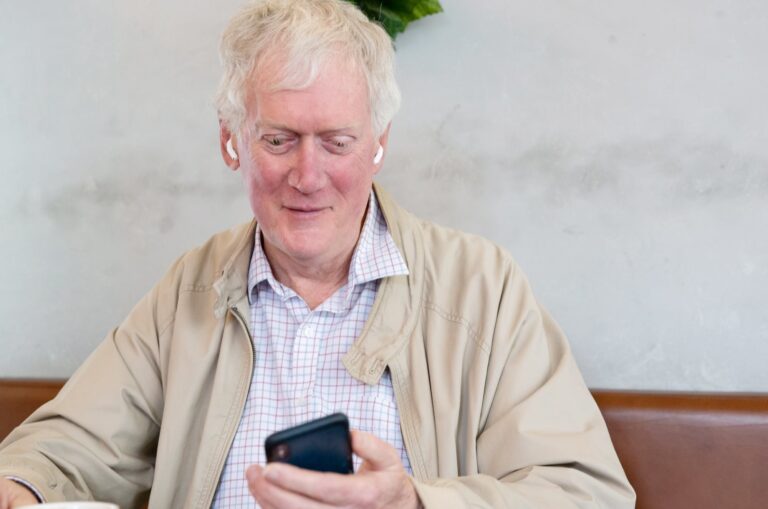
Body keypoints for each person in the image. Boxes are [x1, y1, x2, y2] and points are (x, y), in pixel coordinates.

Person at [0, 0, 635, 507]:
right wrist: (22, 486)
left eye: (337, 142)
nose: (307, 176)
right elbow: (64, 448)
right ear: (232, 143)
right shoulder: (191, 289)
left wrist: (416, 504)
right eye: (278, 140)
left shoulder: (482, 288)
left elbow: (587, 493)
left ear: (378, 144)